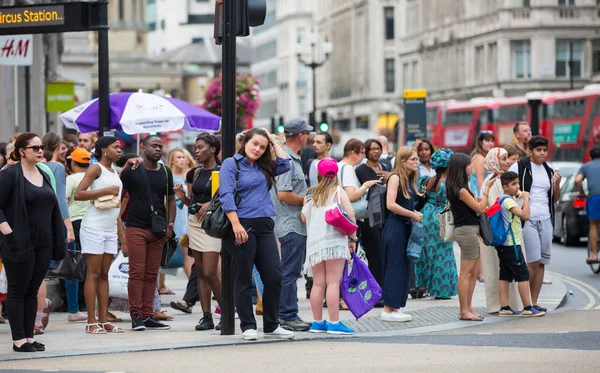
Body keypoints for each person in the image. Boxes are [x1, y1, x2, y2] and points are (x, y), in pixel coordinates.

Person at [220, 128, 294, 341]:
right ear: (244, 143)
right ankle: (248, 326)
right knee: (243, 277)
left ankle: (271, 325)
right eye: (254, 144)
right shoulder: (231, 164)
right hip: (242, 225)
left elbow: (285, 163)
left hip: (265, 226)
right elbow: (225, 194)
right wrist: (235, 224)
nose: (258, 149)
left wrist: (271, 139)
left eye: (262, 147)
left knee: (274, 276)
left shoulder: (264, 166)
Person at [0, 132, 66, 352]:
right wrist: (7, 230)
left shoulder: (44, 173)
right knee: (18, 290)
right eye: (35, 148)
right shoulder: (10, 174)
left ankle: (29, 337)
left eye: (41, 147)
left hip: (44, 242)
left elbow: (53, 205)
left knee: (32, 290)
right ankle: (18, 339)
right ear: (21, 151)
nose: (40, 151)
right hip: (18, 241)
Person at [120, 135, 176, 331]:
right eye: (154, 145)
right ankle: (136, 316)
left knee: (151, 274)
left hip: (158, 229)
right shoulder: (132, 170)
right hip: (136, 227)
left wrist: (170, 225)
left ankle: (148, 314)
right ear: (143, 148)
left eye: (160, 146)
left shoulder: (166, 172)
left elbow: (170, 200)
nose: (158, 149)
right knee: (137, 272)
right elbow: (120, 194)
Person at [74, 136, 124, 334]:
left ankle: (104, 320)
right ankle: (90, 321)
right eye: (115, 147)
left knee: (104, 275)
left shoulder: (115, 171)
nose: (119, 150)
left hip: (109, 228)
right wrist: (104, 190)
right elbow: (79, 193)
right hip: (93, 226)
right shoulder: (96, 168)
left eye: (119, 147)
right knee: (93, 274)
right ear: (104, 149)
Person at [174, 134, 223, 331]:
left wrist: (211, 203)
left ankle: (226, 312)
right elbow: (193, 203)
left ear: (212, 149)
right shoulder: (195, 173)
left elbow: (228, 197)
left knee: (211, 272)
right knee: (201, 272)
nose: (196, 151)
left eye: (200, 147)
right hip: (195, 222)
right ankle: (206, 316)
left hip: (213, 225)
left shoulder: (222, 171)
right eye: (195, 147)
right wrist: (182, 197)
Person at [301, 158, 355, 335]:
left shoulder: (310, 194)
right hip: (334, 242)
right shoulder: (338, 192)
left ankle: (317, 322)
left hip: (315, 244)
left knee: (318, 283)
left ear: (319, 175)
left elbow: (303, 218)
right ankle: (334, 323)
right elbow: (351, 215)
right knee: (333, 282)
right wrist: (352, 238)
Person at [509, 136, 560, 313]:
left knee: (542, 262)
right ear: (530, 151)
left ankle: (534, 301)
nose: (542, 153)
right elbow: (508, 187)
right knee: (533, 260)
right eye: (538, 150)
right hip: (527, 219)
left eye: (545, 150)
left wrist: (557, 184)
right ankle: (525, 301)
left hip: (545, 218)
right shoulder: (519, 166)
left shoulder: (549, 170)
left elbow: (555, 198)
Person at [271, 119, 313, 332]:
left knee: (289, 271)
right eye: (307, 133)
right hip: (290, 225)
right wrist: (306, 199)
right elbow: (283, 194)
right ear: (301, 136)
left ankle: (287, 313)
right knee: (289, 272)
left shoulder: (290, 158)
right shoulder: (286, 159)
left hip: (292, 224)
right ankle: (287, 315)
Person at [446, 153, 495, 321]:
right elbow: (481, 208)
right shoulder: (460, 189)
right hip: (466, 231)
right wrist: (487, 190)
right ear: (462, 167)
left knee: (473, 273)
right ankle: (463, 310)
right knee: (466, 273)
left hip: (470, 229)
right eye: (469, 165)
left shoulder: (459, 187)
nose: (472, 167)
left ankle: (468, 308)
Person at [479, 148, 523, 314]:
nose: (507, 162)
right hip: (502, 233)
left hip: (502, 232)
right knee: (500, 268)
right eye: (503, 159)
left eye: (507, 158)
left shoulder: (496, 180)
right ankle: (505, 304)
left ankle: (503, 304)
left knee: (500, 269)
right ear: (494, 161)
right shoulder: (494, 182)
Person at [380, 147, 422, 322]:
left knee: (402, 268)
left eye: (416, 159)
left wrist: (413, 213)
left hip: (403, 227)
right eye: (413, 159)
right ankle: (388, 309)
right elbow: (390, 204)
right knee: (394, 268)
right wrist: (412, 214)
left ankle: (395, 306)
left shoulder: (408, 180)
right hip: (395, 227)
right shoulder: (395, 178)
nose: (416, 162)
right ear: (403, 161)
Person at [496, 172, 545, 317]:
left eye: (518, 183)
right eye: (513, 184)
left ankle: (504, 308)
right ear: (505, 187)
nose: (517, 186)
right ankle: (528, 308)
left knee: (504, 275)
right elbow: (525, 215)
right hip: (512, 245)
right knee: (523, 275)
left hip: (503, 245)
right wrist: (526, 199)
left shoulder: (502, 199)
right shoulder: (509, 201)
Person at [415, 149, 457, 300]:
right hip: (442, 217)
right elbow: (450, 202)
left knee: (428, 252)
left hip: (427, 215)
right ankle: (441, 290)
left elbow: (422, 194)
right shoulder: (447, 183)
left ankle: (424, 285)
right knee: (443, 254)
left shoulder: (427, 180)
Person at [159, 147, 195, 295]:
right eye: (179, 157)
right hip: (173, 218)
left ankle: (194, 288)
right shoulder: (168, 176)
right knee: (164, 251)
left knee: (188, 255)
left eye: (184, 157)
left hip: (185, 220)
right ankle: (161, 285)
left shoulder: (186, 177)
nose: (182, 160)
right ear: (172, 159)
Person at [355, 139, 390, 288]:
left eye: (378, 148)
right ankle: (376, 289)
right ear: (366, 151)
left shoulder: (385, 166)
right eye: (372, 149)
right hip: (370, 217)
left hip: (386, 214)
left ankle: (385, 286)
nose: (376, 151)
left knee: (385, 253)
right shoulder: (360, 170)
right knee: (374, 254)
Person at [64, 148, 92, 322]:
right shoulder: (93, 178)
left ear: (73, 163)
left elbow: (63, 201)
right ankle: (85, 306)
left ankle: (74, 309)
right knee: (90, 267)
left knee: (73, 267)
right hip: (91, 224)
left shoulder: (71, 179)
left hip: (73, 224)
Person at [575, 147, 600, 264]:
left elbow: (577, 180)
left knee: (594, 225)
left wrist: (581, 192)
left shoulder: (586, 166)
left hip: (595, 197)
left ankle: (594, 255)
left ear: (590, 157)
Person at [470, 131, 495, 197]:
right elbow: (480, 183)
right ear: (480, 142)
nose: (490, 143)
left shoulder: (481, 156)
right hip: (478, 195)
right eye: (487, 140)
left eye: (492, 141)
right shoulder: (480, 158)